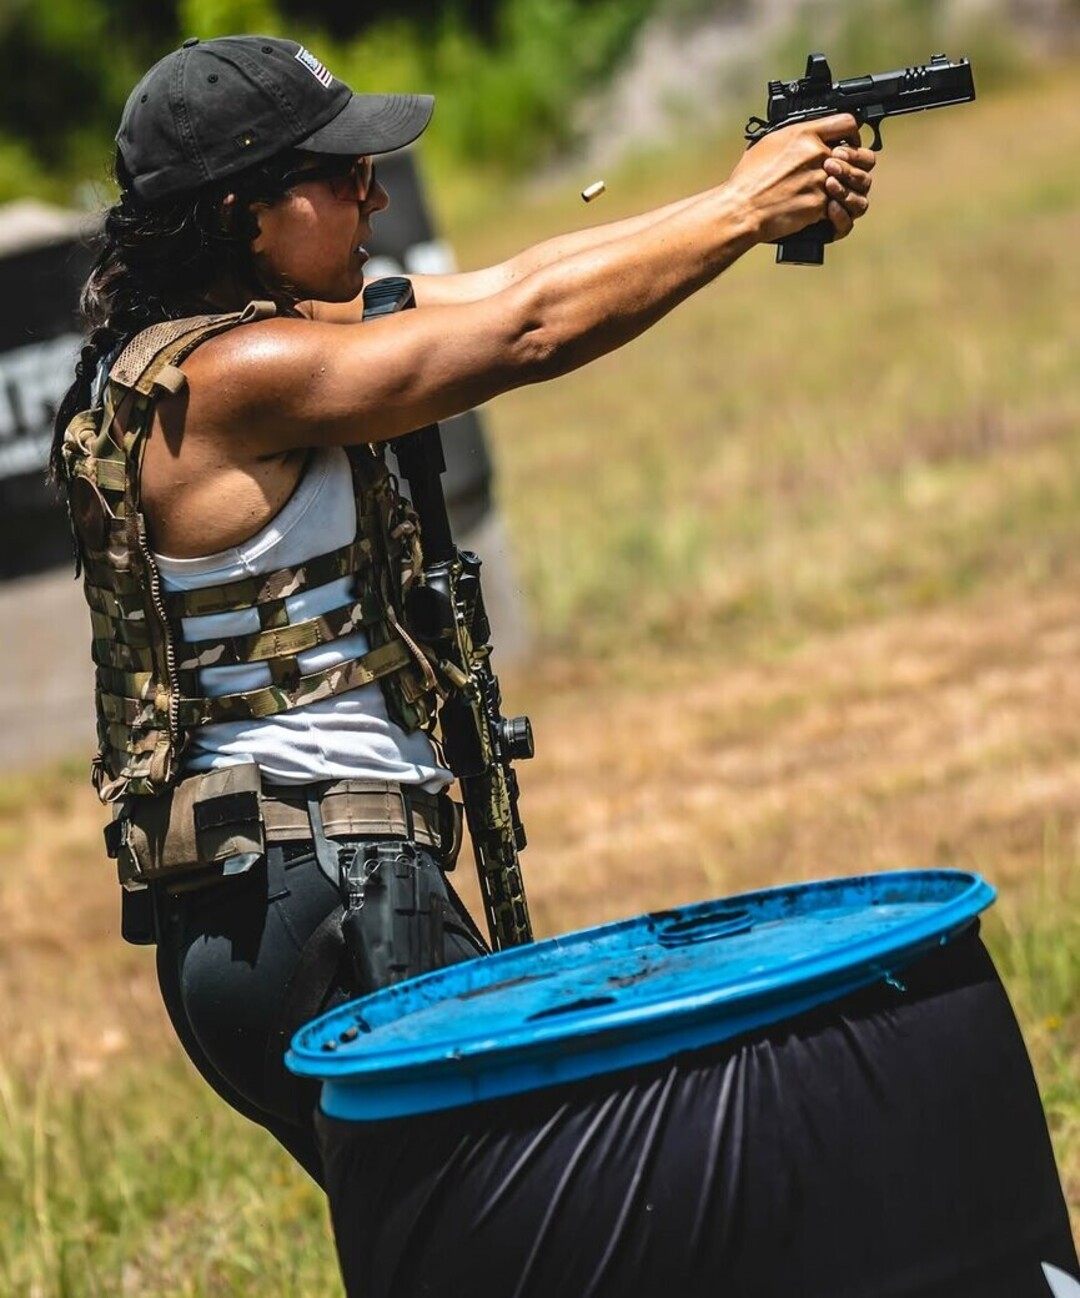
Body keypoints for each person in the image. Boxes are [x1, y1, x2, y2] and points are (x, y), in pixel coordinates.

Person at [51, 35, 875, 1187]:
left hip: (275, 895)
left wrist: (738, 196)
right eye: (344, 176)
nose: (375, 197)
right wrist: (744, 212)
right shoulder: (239, 374)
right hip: (325, 891)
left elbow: (514, 280)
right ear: (243, 211)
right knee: (533, 1223)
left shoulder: (193, 351)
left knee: (459, 1242)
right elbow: (527, 330)